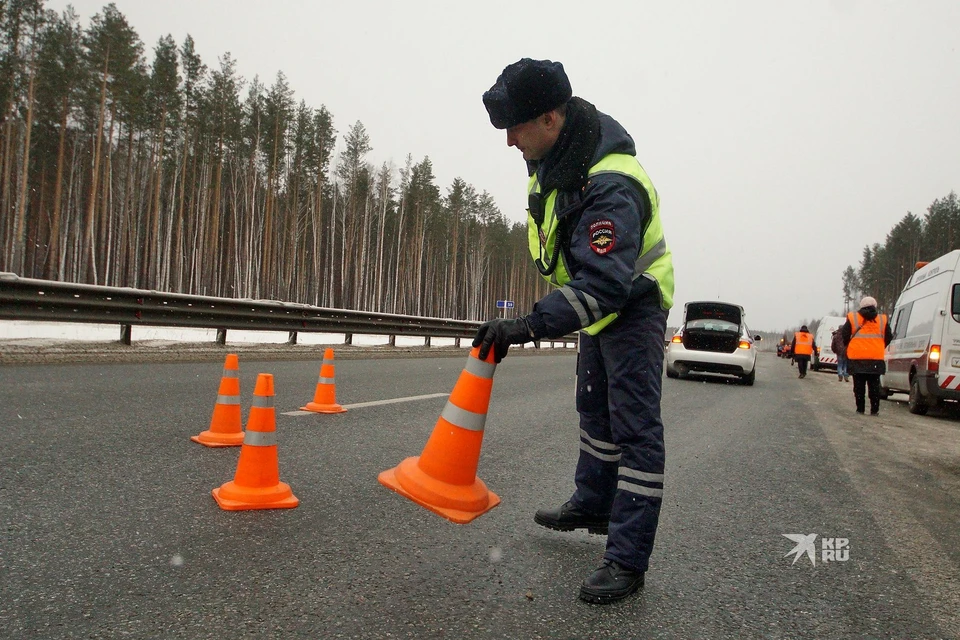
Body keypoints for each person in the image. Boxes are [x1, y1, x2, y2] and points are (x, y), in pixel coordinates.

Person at [475, 58, 674, 605]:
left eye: (515, 128)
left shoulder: (610, 183)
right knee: (594, 410)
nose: (510, 141)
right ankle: (592, 502)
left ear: (551, 118)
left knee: (635, 431)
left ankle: (627, 560)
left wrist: (529, 324)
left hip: (632, 306)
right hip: (600, 307)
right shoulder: (558, 159)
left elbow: (606, 285)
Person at [841, 296, 892, 415]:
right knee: (874, 386)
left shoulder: (853, 317)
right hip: (875, 358)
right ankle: (874, 410)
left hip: (857, 357)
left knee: (859, 386)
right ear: (875, 306)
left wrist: (850, 345)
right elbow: (889, 336)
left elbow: (845, 334)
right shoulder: (882, 319)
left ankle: (860, 409)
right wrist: (878, 346)